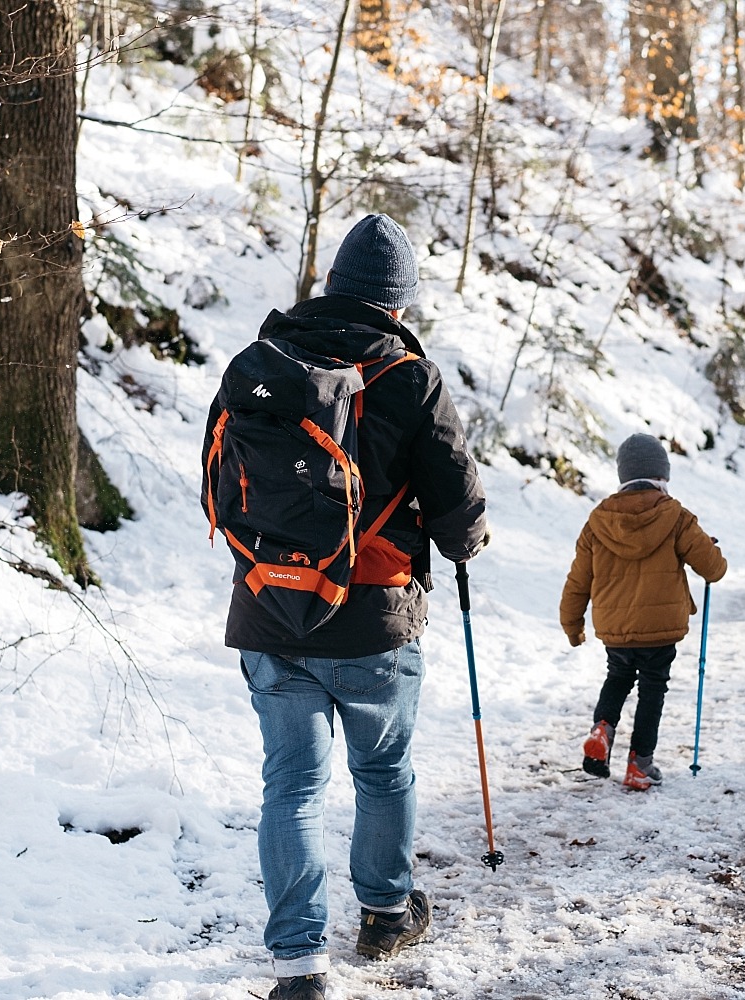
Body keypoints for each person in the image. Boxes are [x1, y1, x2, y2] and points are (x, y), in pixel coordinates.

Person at [216, 214, 488, 1000]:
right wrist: (466, 541)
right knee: (382, 771)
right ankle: (383, 914)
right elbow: (457, 505)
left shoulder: (258, 363)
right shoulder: (409, 375)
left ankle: (299, 965)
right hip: (373, 616)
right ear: (397, 304)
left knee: (292, 787)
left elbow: (224, 482)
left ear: (333, 284)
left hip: (269, 607)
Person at [560, 434, 727, 790]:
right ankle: (639, 764)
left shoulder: (597, 521)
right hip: (661, 629)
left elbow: (578, 579)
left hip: (615, 627)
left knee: (617, 678)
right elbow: (713, 569)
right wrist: (708, 548)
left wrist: (572, 625)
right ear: (661, 476)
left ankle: (602, 732)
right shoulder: (676, 516)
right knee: (653, 688)